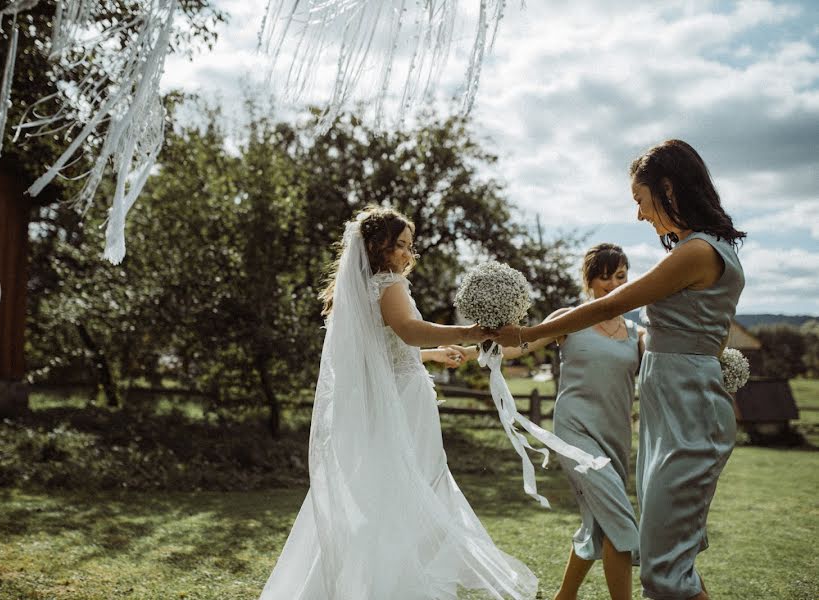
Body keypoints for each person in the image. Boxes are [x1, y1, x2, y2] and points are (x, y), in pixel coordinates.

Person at [493, 140, 745, 600]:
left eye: (640, 200)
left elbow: (611, 305)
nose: (639, 214)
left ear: (666, 189)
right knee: (666, 558)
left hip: (687, 414)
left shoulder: (696, 252)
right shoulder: (707, 252)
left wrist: (528, 334)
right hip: (670, 414)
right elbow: (715, 337)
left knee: (664, 567)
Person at [260, 205, 538, 600]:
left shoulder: (360, 291)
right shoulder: (389, 284)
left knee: (382, 492)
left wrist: (434, 354)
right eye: (401, 245)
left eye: (411, 246)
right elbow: (408, 331)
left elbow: (383, 354)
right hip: (405, 404)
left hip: (392, 400)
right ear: (378, 247)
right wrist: (470, 331)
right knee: (411, 492)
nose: (409, 254)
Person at [459, 243, 643, 600]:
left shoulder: (636, 333)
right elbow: (522, 346)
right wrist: (473, 347)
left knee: (601, 522)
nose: (613, 283)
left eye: (620, 275)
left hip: (617, 436)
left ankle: (564, 596)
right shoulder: (570, 318)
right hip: (575, 432)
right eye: (604, 276)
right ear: (588, 280)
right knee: (620, 519)